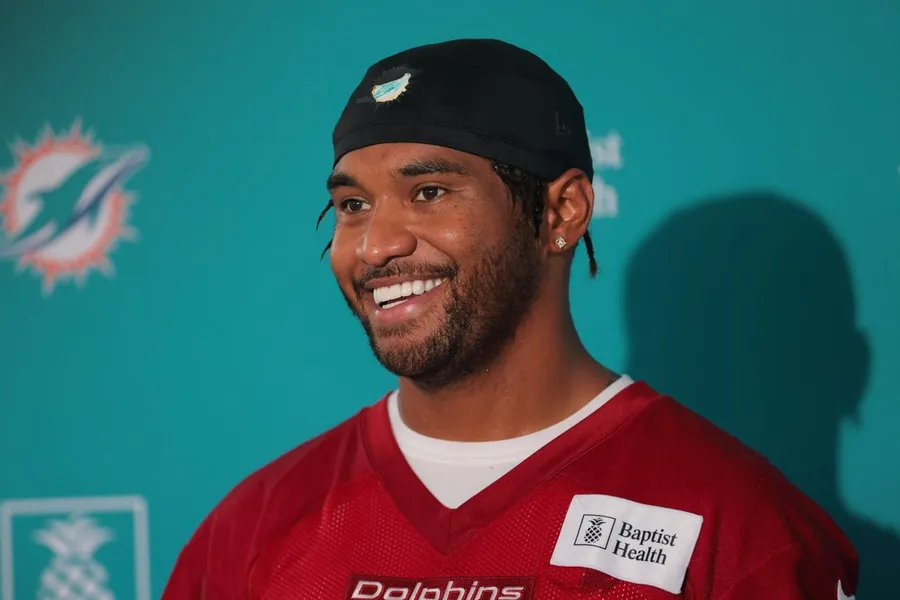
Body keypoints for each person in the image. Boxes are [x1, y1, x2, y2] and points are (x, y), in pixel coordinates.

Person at [161, 39, 858, 599]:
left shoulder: (737, 527)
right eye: (353, 206)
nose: (375, 245)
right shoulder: (256, 527)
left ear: (561, 212)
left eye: (429, 192)